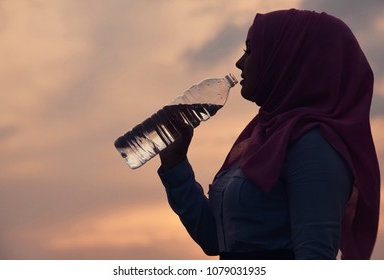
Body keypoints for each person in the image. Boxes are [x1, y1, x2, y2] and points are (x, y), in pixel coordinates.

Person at [157, 9, 380, 260]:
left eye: (250, 50)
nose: (240, 63)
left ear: (287, 58)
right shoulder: (261, 136)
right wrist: (175, 163)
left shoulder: (314, 145)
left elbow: (315, 258)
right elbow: (215, 239)